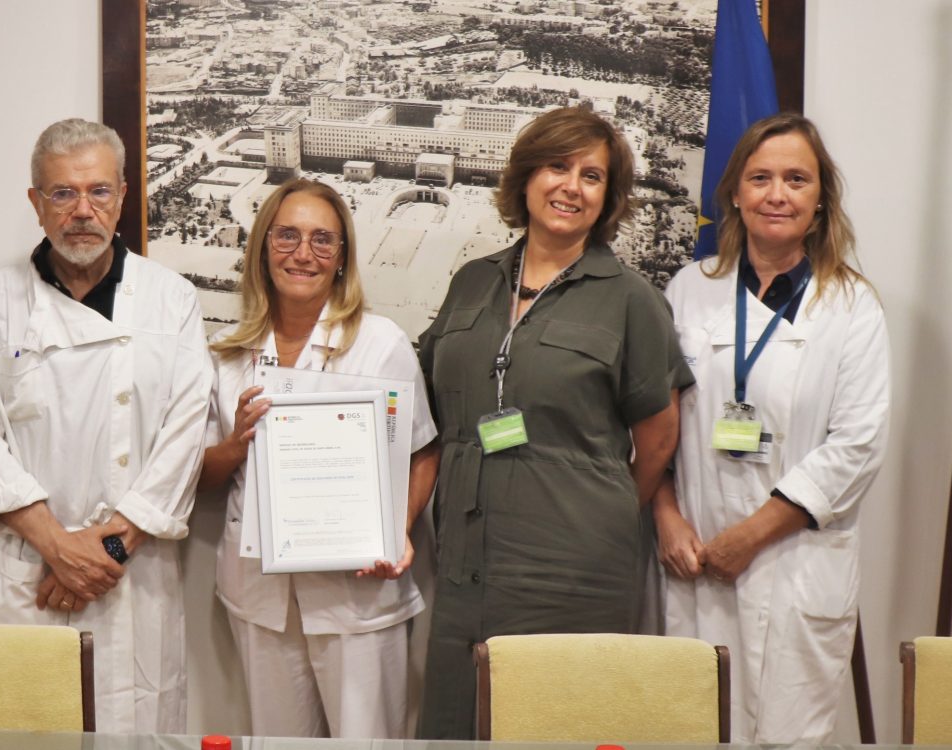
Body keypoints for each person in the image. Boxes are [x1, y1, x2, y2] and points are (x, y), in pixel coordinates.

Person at [415, 107, 691, 739]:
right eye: (557, 167)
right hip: (464, 569)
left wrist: (601, 512)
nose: (572, 186)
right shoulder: (472, 283)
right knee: (457, 727)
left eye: (592, 175)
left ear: (607, 197)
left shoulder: (631, 299)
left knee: (559, 729)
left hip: (574, 573)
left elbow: (658, 438)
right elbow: (432, 408)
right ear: (527, 177)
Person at [0, 118, 212, 734]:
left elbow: (185, 433)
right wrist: (60, 549)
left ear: (123, 197)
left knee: (135, 732)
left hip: (131, 574)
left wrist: (107, 550)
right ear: (36, 203)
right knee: (27, 732)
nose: (82, 211)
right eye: (63, 193)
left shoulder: (170, 299)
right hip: (28, 571)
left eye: (98, 191)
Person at [657, 112, 889, 744]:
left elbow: (857, 446)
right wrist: (666, 515)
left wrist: (749, 537)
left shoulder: (852, 306)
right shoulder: (689, 290)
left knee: (785, 736)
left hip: (794, 565)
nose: (776, 194)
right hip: (692, 560)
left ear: (820, 199)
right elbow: (651, 424)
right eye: (760, 178)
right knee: (690, 729)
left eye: (796, 179)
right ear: (735, 192)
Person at [197, 179, 438, 739]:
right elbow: (202, 476)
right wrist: (237, 441)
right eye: (287, 235)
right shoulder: (229, 352)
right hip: (259, 596)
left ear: (342, 257)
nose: (303, 253)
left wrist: (397, 531)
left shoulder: (381, 343)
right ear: (263, 246)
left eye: (322, 240)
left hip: (356, 593)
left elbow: (424, 452)